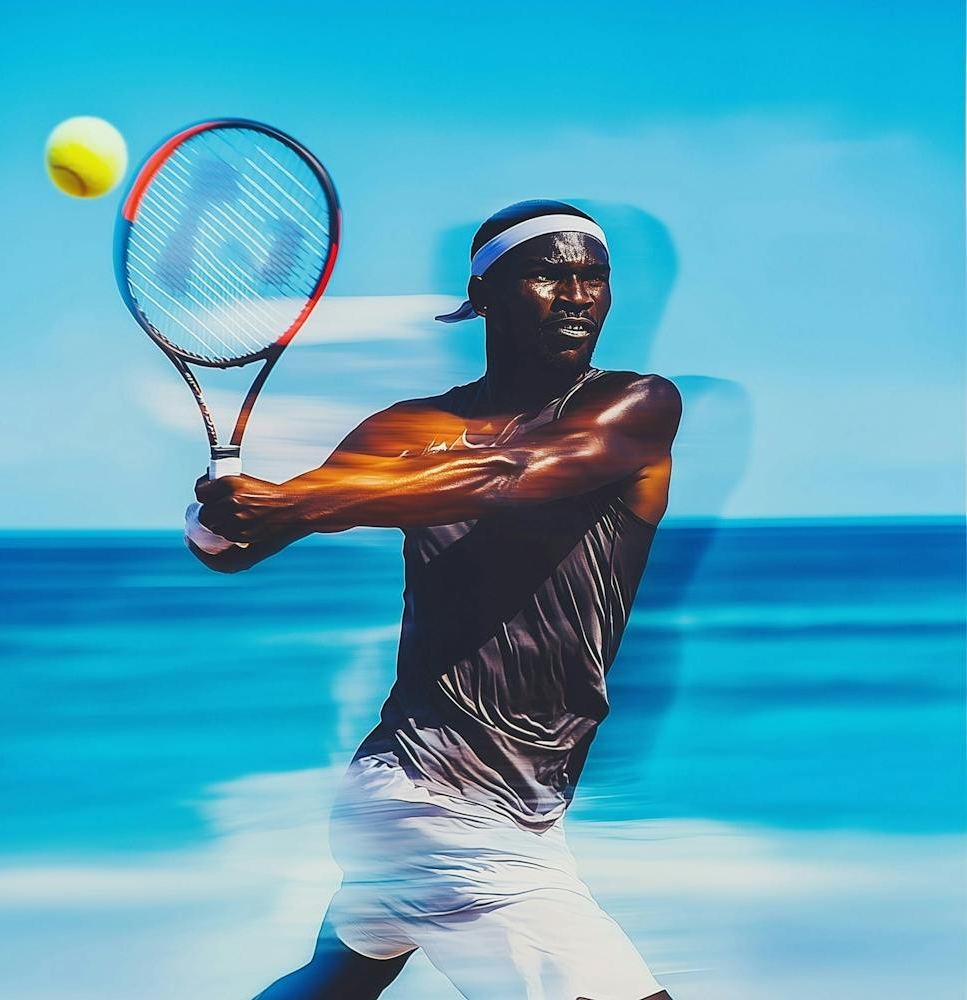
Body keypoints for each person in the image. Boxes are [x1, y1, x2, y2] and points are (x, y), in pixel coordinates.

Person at [188, 200, 681, 1000]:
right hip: (444, 799)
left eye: (595, 277)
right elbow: (251, 540)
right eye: (549, 274)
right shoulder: (407, 427)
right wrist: (226, 516)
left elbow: (510, 476)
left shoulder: (636, 405)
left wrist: (293, 504)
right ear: (484, 293)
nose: (579, 295)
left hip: (490, 804)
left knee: (336, 982)